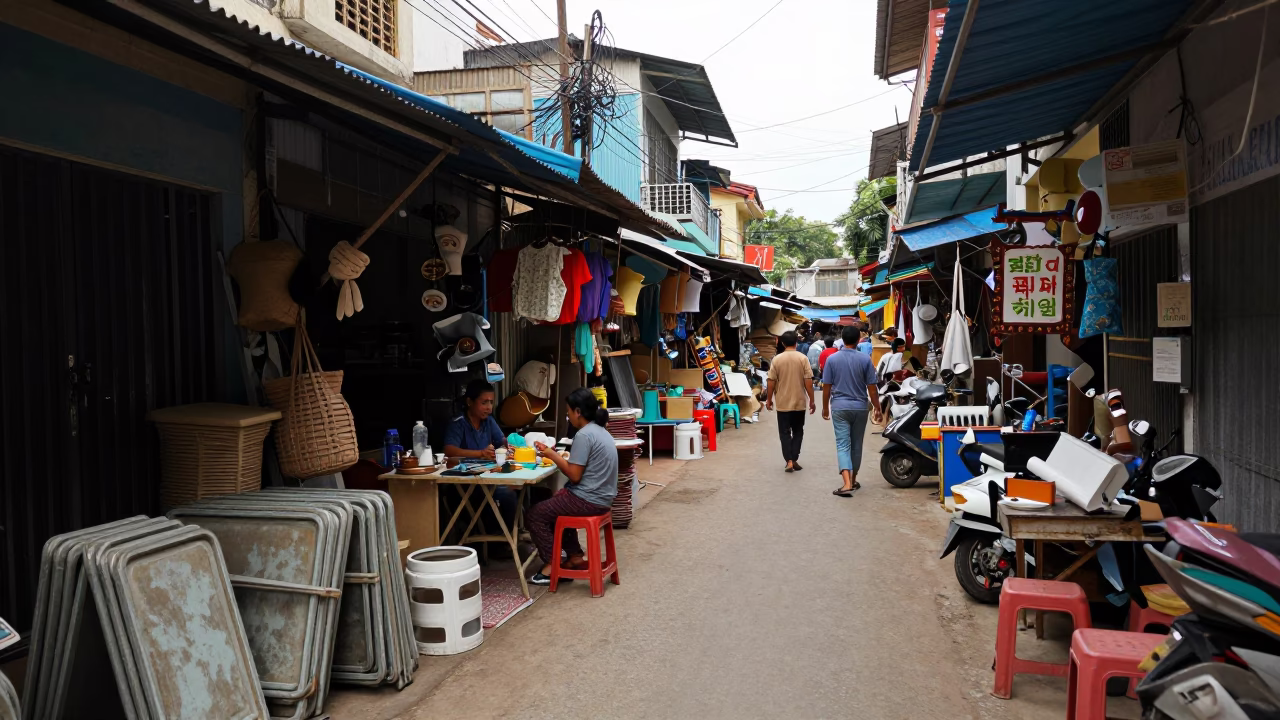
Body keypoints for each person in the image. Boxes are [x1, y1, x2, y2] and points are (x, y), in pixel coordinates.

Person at [526, 387, 619, 585]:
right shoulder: (601, 431)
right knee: (553, 500)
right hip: (602, 498)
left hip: (588, 500)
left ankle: (552, 565)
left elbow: (575, 475)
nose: (568, 416)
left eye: (568, 411)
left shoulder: (584, 435)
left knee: (535, 514)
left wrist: (552, 455)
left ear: (578, 412)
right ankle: (575, 556)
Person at [442, 380, 517, 529]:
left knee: (518, 489)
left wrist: (507, 447)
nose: (489, 407)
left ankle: (507, 534)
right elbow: (449, 450)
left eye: (491, 402)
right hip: (463, 483)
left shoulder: (489, 421)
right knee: (507, 494)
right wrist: (480, 453)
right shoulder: (459, 423)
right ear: (469, 402)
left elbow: (501, 441)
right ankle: (505, 536)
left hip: (486, 478)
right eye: (484, 402)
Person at [822, 326, 883, 498]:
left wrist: (825, 407)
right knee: (857, 445)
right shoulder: (865, 359)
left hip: (839, 407)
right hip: (860, 407)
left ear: (842, 339)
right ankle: (854, 479)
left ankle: (847, 483)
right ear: (858, 340)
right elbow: (872, 388)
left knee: (843, 444)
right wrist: (877, 408)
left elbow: (826, 387)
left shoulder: (832, 359)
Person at [765, 331, 815, 472]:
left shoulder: (777, 360)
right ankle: (793, 458)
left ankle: (789, 461)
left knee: (784, 433)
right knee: (798, 431)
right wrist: (812, 400)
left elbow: (771, 381)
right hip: (799, 403)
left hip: (783, 403)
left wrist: (769, 399)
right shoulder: (803, 358)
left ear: (782, 343)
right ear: (796, 343)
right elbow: (808, 382)